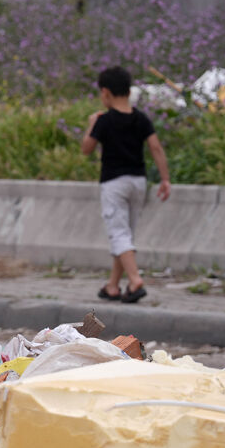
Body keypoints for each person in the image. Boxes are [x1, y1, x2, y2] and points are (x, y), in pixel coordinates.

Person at [81, 65, 170, 304]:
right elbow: (156, 148)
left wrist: (91, 124)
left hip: (114, 183)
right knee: (125, 237)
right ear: (129, 92)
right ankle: (112, 286)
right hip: (138, 182)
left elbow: (86, 149)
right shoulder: (140, 118)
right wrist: (165, 179)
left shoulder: (104, 120)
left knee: (118, 234)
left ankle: (135, 280)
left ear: (106, 93)